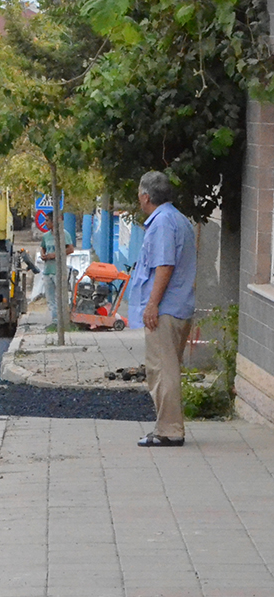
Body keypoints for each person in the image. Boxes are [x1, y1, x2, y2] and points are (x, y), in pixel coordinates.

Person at [128, 171, 196, 447]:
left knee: (161, 370)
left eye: (139, 195)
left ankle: (169, 431)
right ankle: (168, 427)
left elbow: (164, 265)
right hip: (178, 306)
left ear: (146, 196)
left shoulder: (163, 223)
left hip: (166, 309)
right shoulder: (177, 219)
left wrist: (152, 304)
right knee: (167, 368)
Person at [39, 222, 61, 328]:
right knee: (50, 298)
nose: (46, 223)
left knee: (59, 296)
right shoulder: (46, 236)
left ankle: (61, 321)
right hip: (47, 270)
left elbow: (70, 249)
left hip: (58, 270)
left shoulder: (63, 234)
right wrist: (43, 254)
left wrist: (55, 255)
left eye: (48, 220)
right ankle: (54, 321)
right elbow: (43, 247)